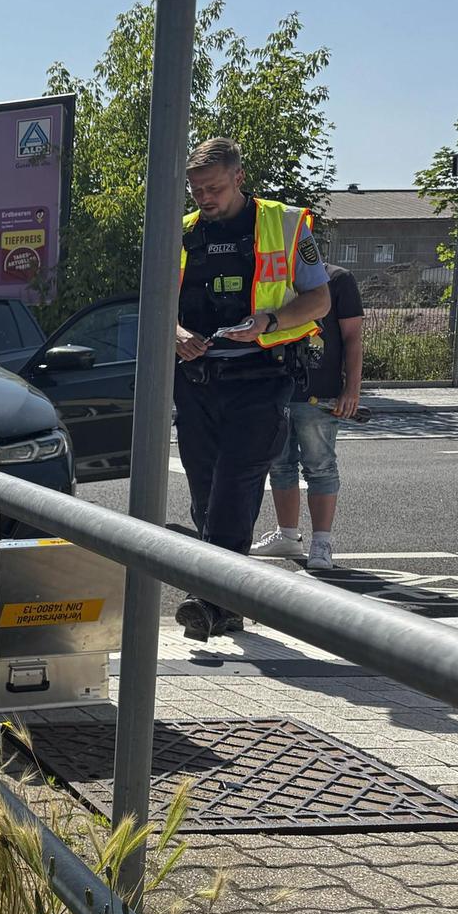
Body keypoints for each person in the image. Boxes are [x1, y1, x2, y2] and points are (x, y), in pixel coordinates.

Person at [171, 136, 332, 640]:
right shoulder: (181, 233)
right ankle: (227, 600)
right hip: (198, 378)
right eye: (196, 190)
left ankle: (212, 600)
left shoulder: (283, 224)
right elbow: (156, 302)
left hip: (262, 376)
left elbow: (320, 300)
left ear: (239, 178)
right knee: (203, 491)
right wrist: (174, 334)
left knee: (235, 486)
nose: (205, 199)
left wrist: (267, 320)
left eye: (214, 188)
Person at [251, 264, 363, 569]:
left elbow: (352, 336)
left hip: (320, 392)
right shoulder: (274, 275)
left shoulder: (339, 279)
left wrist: (352, 388)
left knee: (320, 466)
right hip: (275, 387)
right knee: (280, 464)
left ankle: (321, 542)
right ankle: (287, 535)